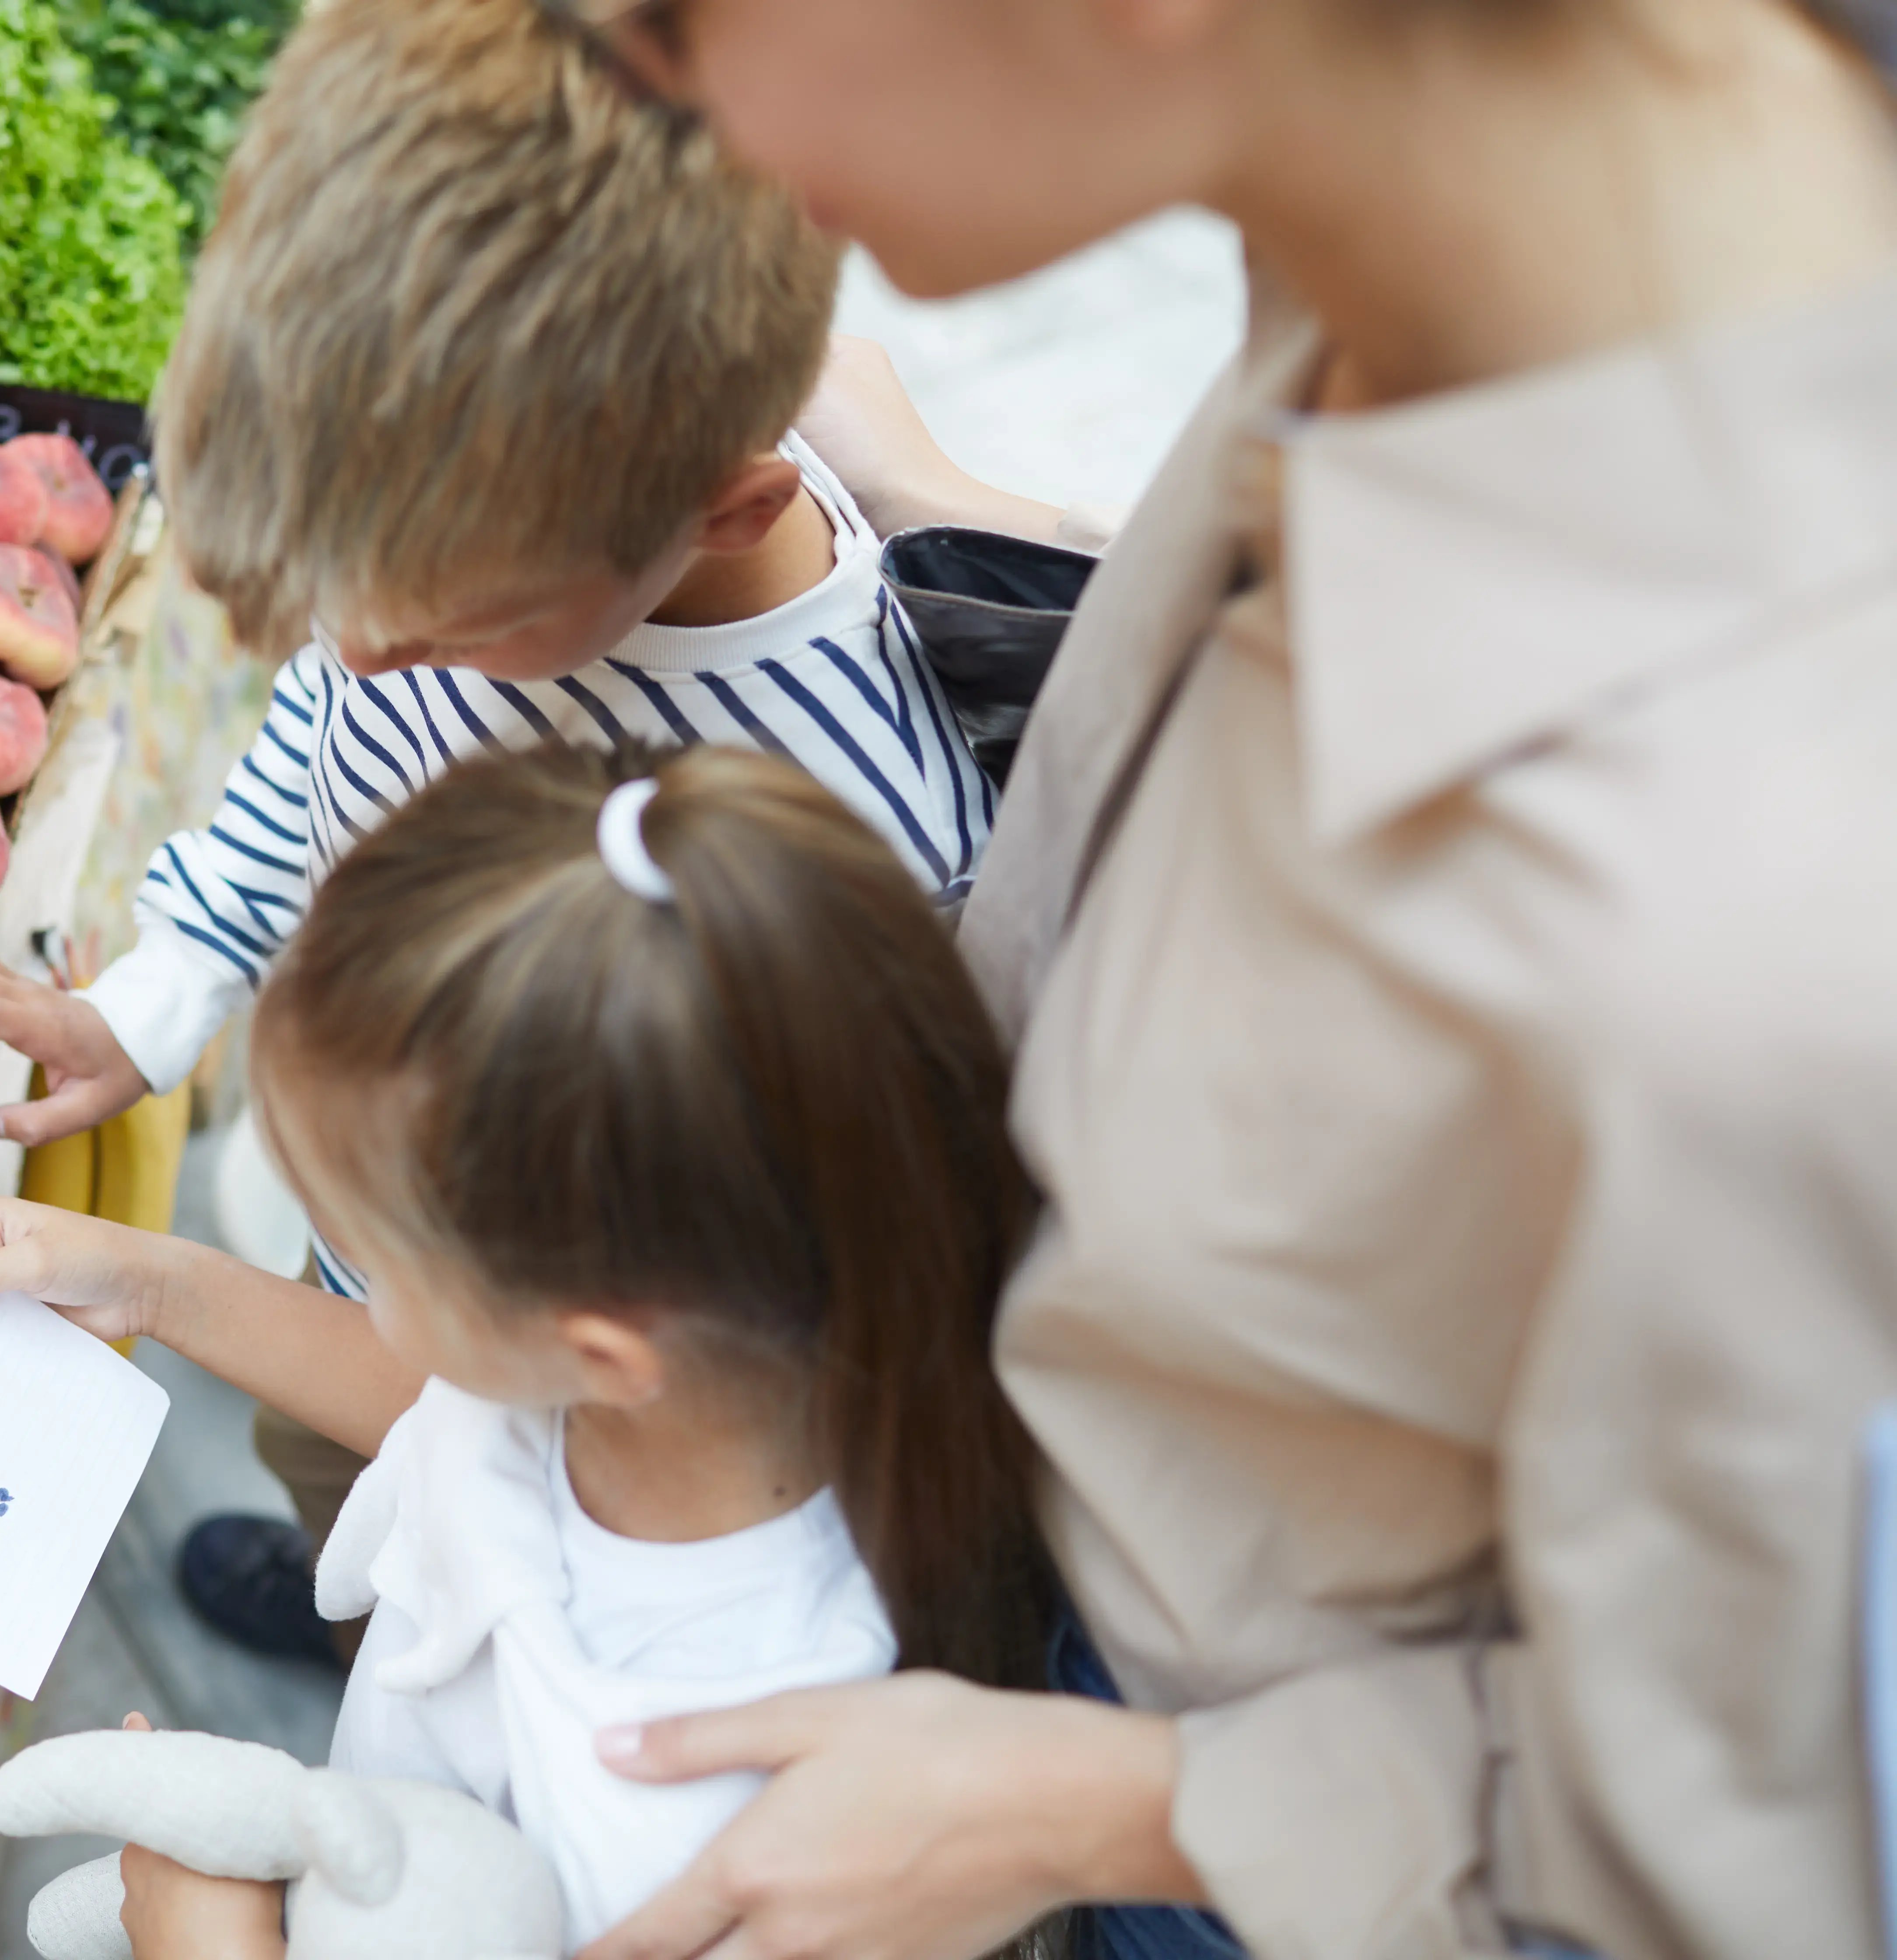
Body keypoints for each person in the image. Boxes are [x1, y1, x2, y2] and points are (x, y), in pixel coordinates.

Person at [515, 3, 1897, 1958]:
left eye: (656, 25)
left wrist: (1111, 1810)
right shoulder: (1452, 208)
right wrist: (978, 526)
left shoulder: (1785, 911)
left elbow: (1768, 1825)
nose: (625, 100)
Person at [0, 0, 993, 1666]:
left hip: (555, 1436)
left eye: (439, 630)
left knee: (424, 1600)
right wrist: (164, 990)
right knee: (340, 1479)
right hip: (379, 1273)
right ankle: (342, 1556)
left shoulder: (862, 835)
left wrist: (204, 1302)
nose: (362, 644)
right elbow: (328, 744)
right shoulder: (456, 537)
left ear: (730, 510)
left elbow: (638, 1385)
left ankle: (382, 1640)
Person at [0, 743, 1060, 1956]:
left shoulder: (696, 1814)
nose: (348, 1265)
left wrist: (212, 1945)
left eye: (374, 1252)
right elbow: (443, 1414)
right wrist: (155, 1283)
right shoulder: (703, 1375)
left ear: (594, 1350)